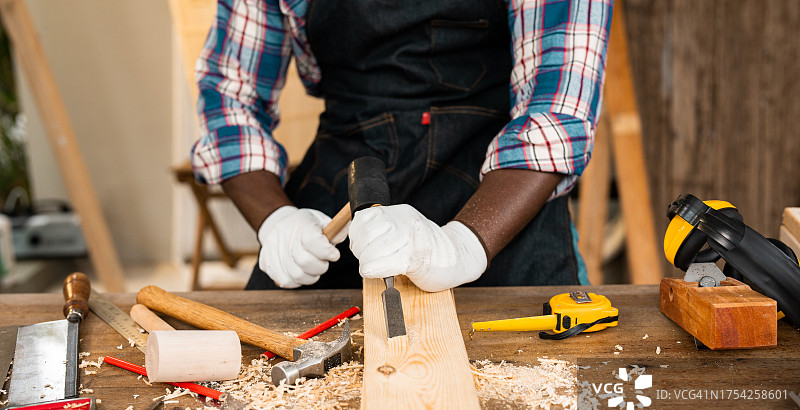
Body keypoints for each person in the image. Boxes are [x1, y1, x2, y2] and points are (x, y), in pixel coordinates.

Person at [192, 0, 613, 291]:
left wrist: (463, 246)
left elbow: (555, 111)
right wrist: (277, 221)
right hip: (344, 171)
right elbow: (232, 97)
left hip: (502, 193)